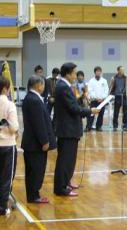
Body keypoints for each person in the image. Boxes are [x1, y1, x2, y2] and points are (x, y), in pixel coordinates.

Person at [53, 63, 100, 196]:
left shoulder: (66, 86)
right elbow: (73, 108)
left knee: (70, 159)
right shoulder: (63, 87)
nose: (75, 76)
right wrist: (90, 111)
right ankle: (61, 188)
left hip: (70, 129)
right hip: (67, 129)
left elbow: (73, 105)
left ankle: (66, 182)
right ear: (68, 74)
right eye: (74, 73)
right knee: (65, 159)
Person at [22, 75, 57, 203]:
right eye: (43, 85)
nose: (44, 87)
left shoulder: (30, 98)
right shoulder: (34, 100)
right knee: (36, 170)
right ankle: (34, 196)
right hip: (35, 143)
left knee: (33, 170)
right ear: (38, 85)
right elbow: (38, 123)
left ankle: (33, 195)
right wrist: (45, 141)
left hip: (31, 142)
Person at [0, 76, 19, 216]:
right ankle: (2, 207)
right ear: (6, 89)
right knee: (6, 178)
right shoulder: (9, 104)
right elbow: (14, 128)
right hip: (7, 145)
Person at [109, 66, 127, 131]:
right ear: (118, 71)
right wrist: (110, 94)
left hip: (124, 96)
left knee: (125, 112)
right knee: (116, 112)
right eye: (122, 70)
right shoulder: (114, 78)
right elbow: (110, 87)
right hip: (117, 96)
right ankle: (115, 126)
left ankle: (125, 125)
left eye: (124, 70)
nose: (123, 71)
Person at [85, 66, 109, 132]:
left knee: (101, 114)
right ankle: (88, 127)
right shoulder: (91, 81)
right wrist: (96, 98)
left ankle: (99, 127)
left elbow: (106, 90)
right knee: (91, 114)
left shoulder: (104, 80)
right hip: (94, 100)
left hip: (102, 101)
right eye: (97, 71)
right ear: (95, 72)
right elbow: (90, 90)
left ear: (101, 72)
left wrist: (102, 98)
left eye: (99, 71)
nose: (98, 73)